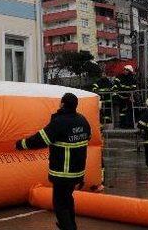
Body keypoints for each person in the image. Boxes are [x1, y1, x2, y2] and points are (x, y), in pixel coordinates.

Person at [16, 93, 92, 230]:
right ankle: (71, 226)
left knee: (60, 204)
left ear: (62, 104)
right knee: (68, 199)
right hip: (77, 172)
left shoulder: (59, 122)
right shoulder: (82, 120)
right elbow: (88, 136)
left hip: (63, 173)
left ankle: (68, 227)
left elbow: (40, 140)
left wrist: (21, 144)